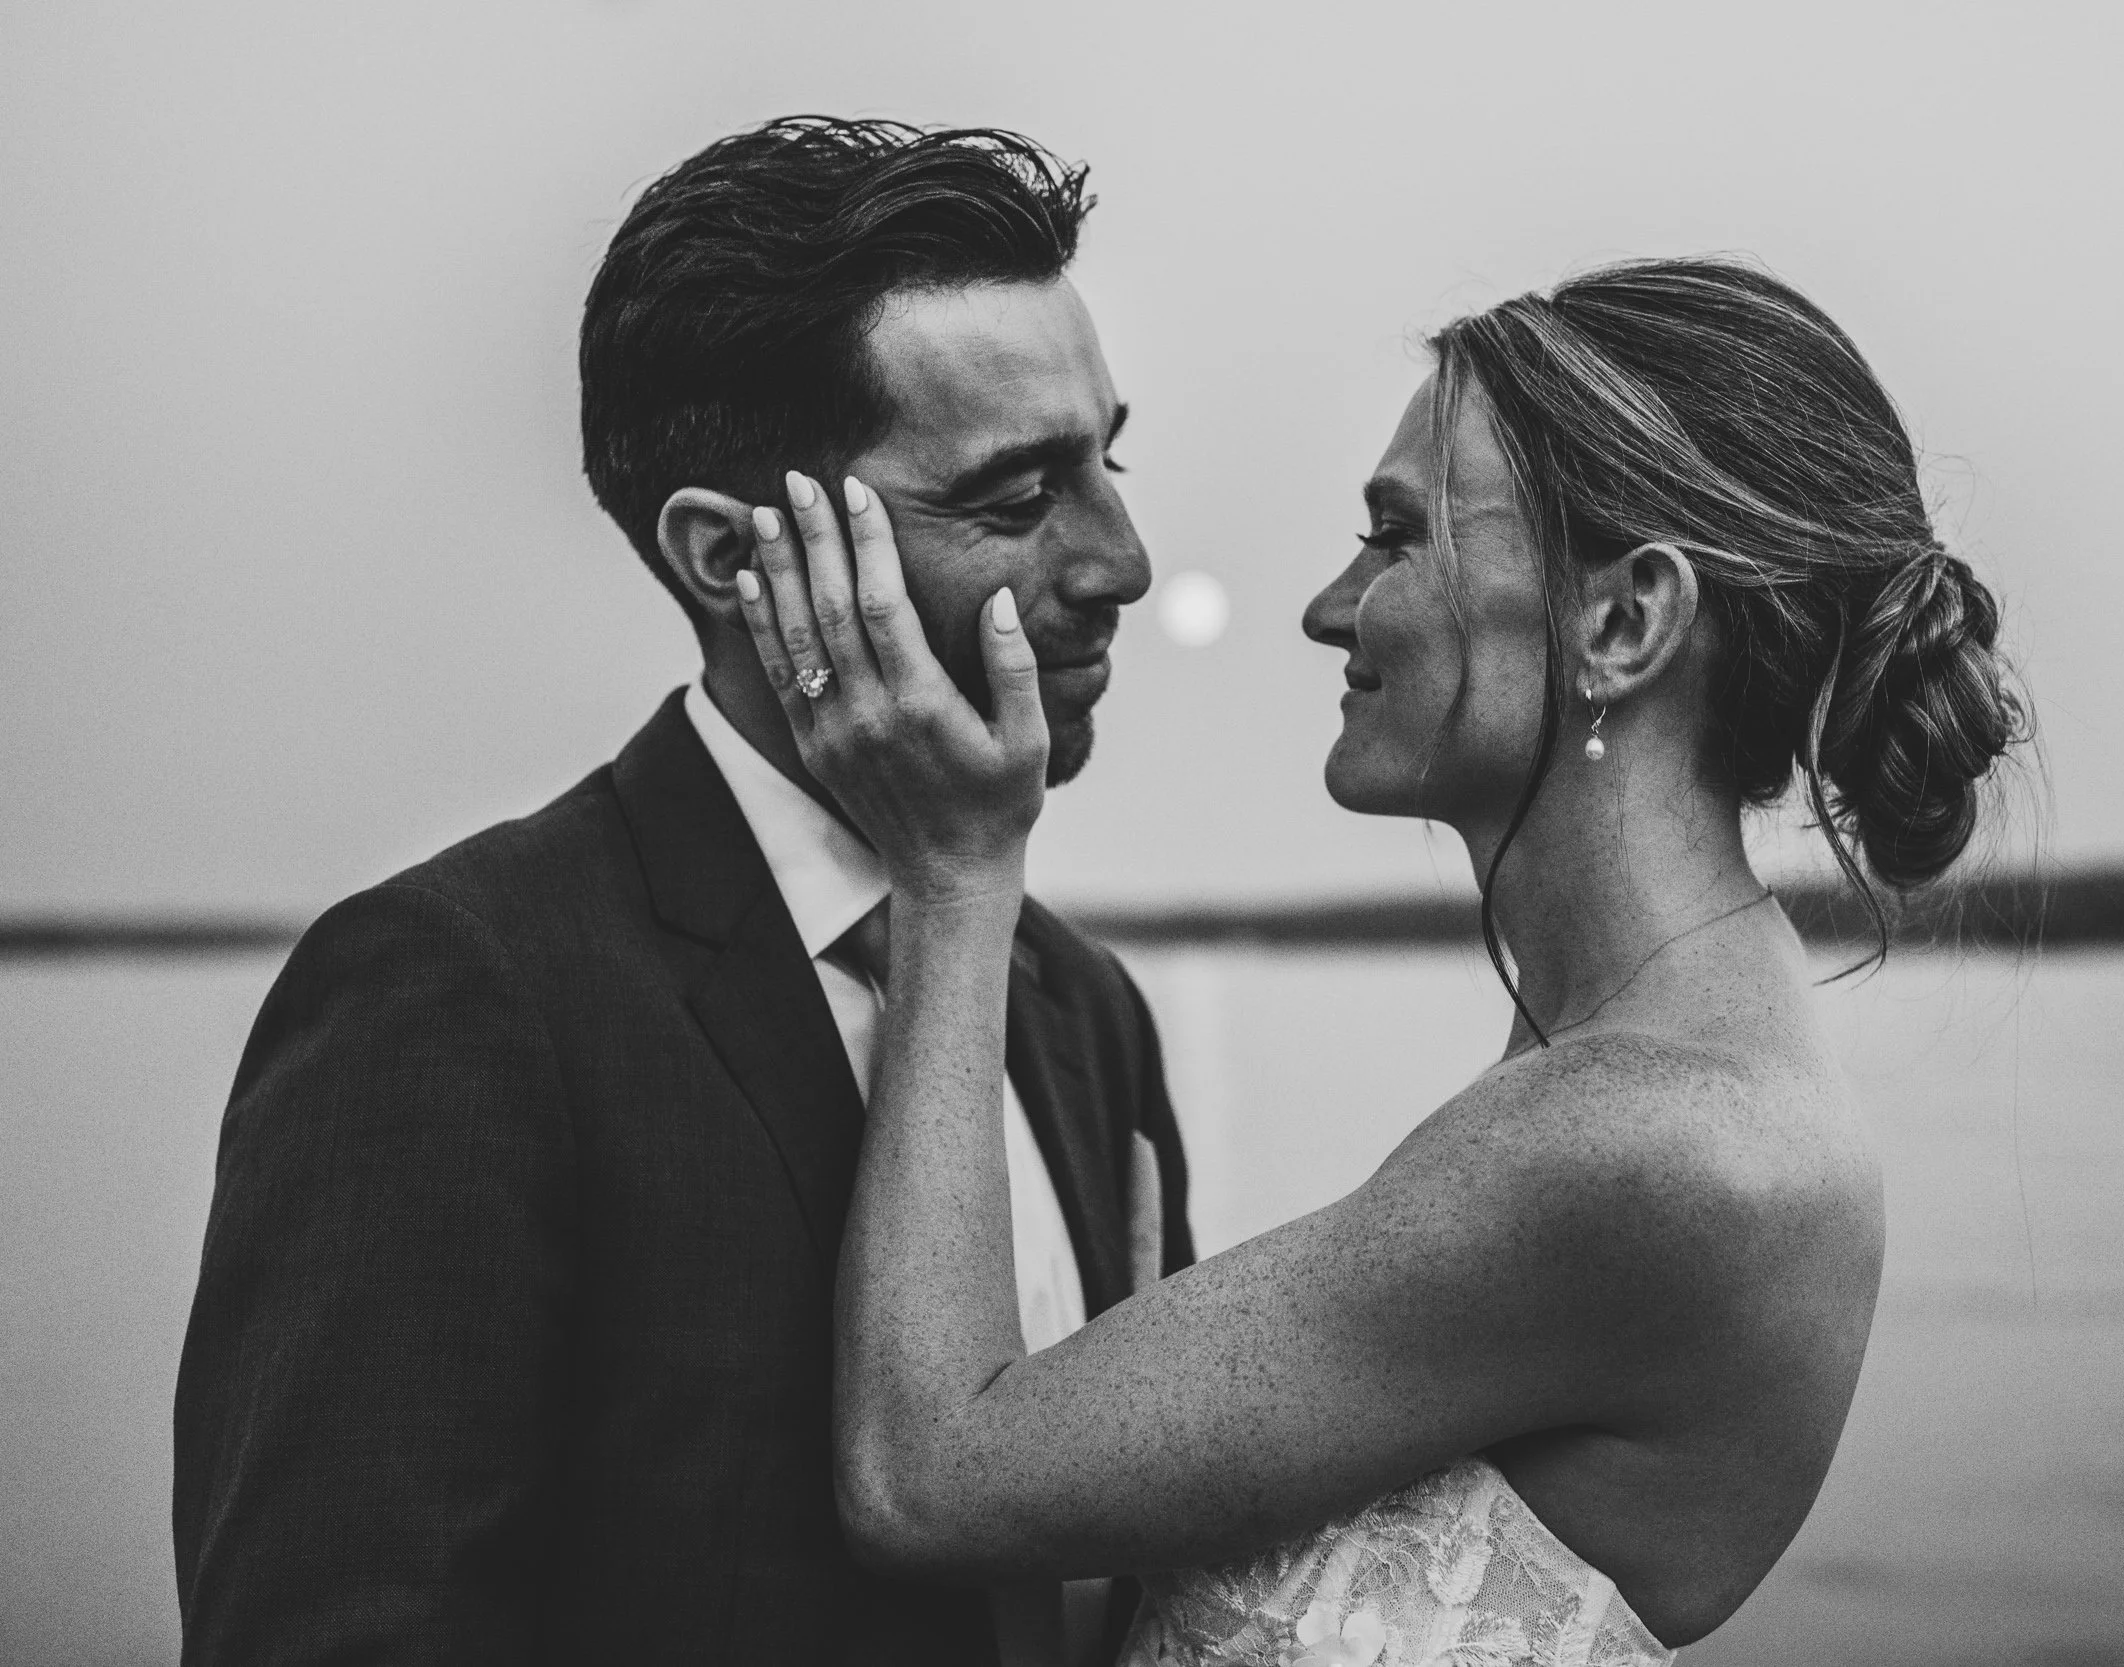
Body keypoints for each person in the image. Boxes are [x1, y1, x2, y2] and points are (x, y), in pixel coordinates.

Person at [736, 258, 2027, 1662]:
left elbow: (926, 1480)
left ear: (1623, 622)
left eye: (1396, 536)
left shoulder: (1651, 1143)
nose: (1330, 607)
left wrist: (954, 870)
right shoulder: (1647, 1069)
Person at [172, 117, 1192, 1664]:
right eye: (1014, 496)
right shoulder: (458, 995)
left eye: (1107, 459)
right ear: (729, 557)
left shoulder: (1079, 1003)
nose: (1121, 559)